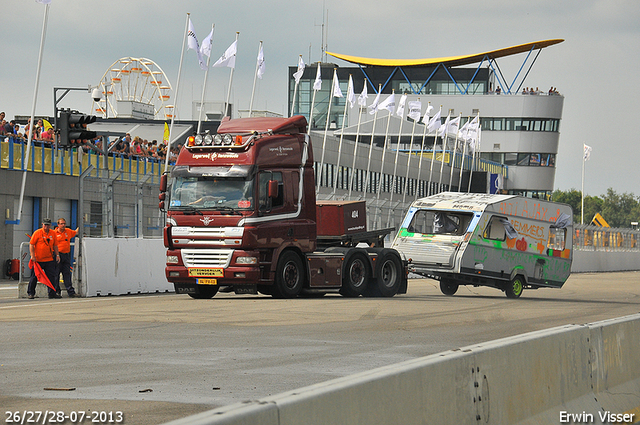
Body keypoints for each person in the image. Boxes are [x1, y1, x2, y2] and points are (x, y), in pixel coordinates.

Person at [27, 218, 60, 299]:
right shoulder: (37, 233)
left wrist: (57, 255)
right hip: (38, 260)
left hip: (49, 259)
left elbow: (55, 245)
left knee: (52, 277)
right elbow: (31, 244)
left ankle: (52, 293)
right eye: (45, 225)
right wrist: (33, 256)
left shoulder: (53, 233)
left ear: (50, 225)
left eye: (48, 225)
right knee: (34, 277)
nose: (46, 226)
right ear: (42, 224)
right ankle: (31, 293)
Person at [54, 218, 78, 297]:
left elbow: (76, 232)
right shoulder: (54, 233)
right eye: (61, 224)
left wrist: (81, 222)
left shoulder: (68, 231)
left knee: (67, 273)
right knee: (56, 274)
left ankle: (70, 291)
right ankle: (57, 291)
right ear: (58, 224)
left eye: (64, 223)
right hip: (57, 255)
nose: (63, 225)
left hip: (66, 255)